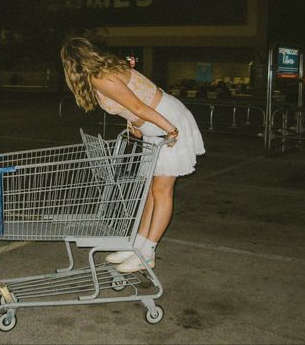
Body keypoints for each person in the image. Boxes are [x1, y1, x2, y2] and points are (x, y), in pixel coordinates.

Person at [60, 37, 205, 272]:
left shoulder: (100, 77)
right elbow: (137, 101)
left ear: (73, 64)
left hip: (165, 122)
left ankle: (147, 254)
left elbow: (138, 106)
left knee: (161, 191)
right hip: (156, 124)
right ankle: (136, 246)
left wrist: (168, 128)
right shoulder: (107, 69)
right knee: (150, 191)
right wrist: (134, 123)